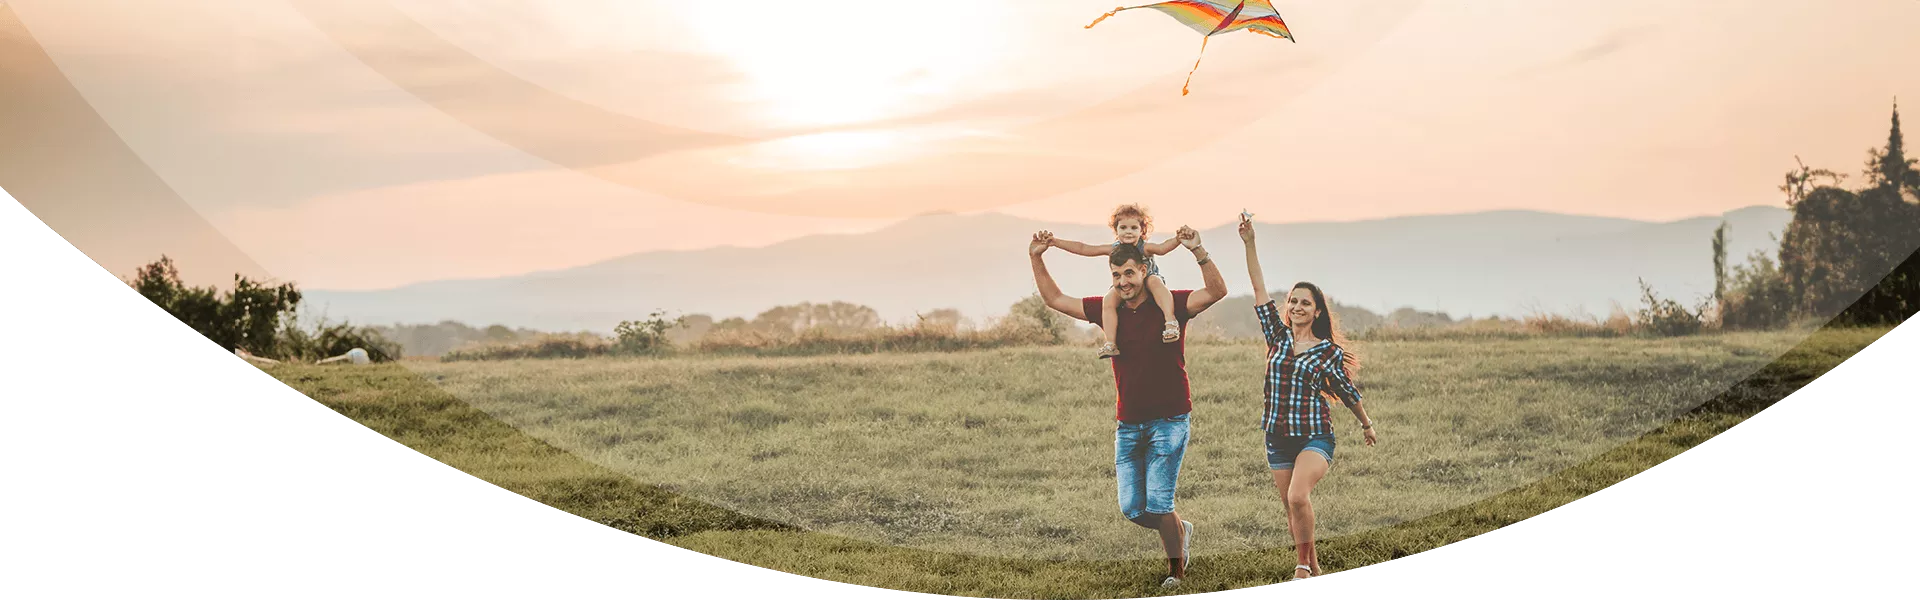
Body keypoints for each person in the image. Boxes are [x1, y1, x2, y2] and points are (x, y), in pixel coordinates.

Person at [1027, 223, 1228, 588]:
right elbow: (1055, 299)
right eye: (1116, 274)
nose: (1123, 281)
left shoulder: (1173, 305)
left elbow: (1217, 290)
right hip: (1129, 423)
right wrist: (1036, 258)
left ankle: (1176, 570)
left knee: (1159, 503)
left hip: (1170, 419)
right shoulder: (1109, 311)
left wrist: (1199, 251)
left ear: (1145, 270)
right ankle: (1180, 531)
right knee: (1133, 509)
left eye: (1130, 273)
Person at [1236, 215, 1378, 581]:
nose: (1297, 306)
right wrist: (1249, 243)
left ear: (1317, 311)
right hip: (1276, 437)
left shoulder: (1327, 351)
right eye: (1293, 301)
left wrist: (1367, 424)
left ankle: (1301, 567)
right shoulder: (1277, 337)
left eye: (1305, 303)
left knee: (1299, 497)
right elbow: (1257, 287)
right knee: (1291, 509)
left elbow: (1346, 391)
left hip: (1314, 435)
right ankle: (1313, 567)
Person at [1042, 204, 1185, 359]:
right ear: (1116, 230)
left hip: (1149, 278)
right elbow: (1084, 249)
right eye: (1123, 227)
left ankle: (1170, 322)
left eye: (1133, 228)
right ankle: (1111, 343)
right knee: (1108, 300)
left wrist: (1179, 239)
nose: (1128, 232)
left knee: (1155, 282)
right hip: (1127, 285)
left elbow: (1163, 248)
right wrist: (1055, 242)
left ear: (1142, 230)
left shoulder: (1145, 248)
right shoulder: (1114, 248)